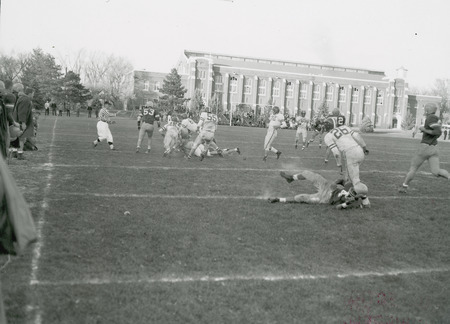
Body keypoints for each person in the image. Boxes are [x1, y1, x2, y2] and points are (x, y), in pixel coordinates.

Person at [399, 103, 450, 193]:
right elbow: (437, 132)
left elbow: (437, 132)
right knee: (436, 171)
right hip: (434, 148)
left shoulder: (431, 118)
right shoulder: (436, 118)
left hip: (425, 147)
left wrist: (424, 129)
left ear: (428, 110)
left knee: (413, 168)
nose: (424, 111)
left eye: (425, 109)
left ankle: (404, 187)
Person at [323, 118, 371, 208]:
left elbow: (336, 152)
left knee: (356, 182)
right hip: (359, 150)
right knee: (351, 179)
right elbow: (357, 136)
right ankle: (361, 201)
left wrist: (339, 165)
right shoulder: (344, 127)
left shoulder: (328, 136)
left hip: (350, 154)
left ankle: (351, 203)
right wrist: (364, 148)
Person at [268, 171, 363, 209]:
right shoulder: (351, 188)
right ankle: (292, 178)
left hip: (325, 199)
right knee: (310, 174)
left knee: (302, 197)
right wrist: (341, 181)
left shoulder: (351, 201)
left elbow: (338, 207)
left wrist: (348, 203)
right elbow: (340, 182)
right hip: (328, 187)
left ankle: (278, 199)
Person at [12, 85, 35, 160]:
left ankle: (14, 153)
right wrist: (23, 122)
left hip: (16, 120)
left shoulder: (22, 98)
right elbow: (22, 112)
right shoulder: (25, 99)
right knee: (22, 138)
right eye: (33, 94)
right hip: (20, 121)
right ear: (30, 93)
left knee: (17, 138)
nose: (33, 95)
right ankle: (20, 154)